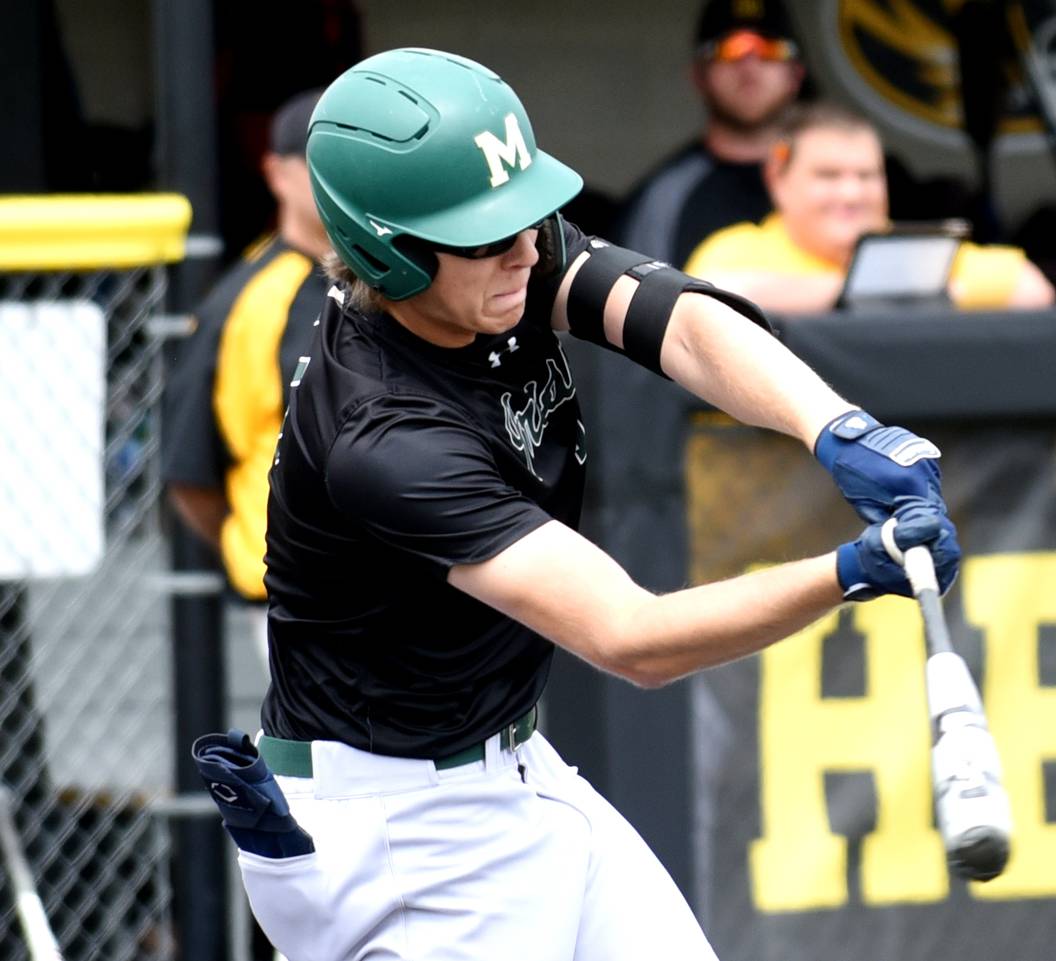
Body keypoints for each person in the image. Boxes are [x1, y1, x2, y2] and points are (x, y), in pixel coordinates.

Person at [221, 48, 962, 961]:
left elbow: (680, 324)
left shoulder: (487, 266)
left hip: (511, 765)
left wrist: (837, 427)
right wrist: (847, 570)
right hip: (402, 835)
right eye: (489, 234)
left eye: (526, 218)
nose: (528, 250)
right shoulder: (387, 437)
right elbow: (632, 638)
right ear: (392, 250)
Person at [163, 88, 332, 662]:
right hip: (304, 604)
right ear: (276, 174)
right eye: (319, 162)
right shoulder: (248, 301)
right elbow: (191, 474)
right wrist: (261, 551)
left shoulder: (404, 282)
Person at [684, 101, 1056, 313]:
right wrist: (880, 292)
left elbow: (1033, 289)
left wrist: (913, 291)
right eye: (828, 176)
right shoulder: (739, 248)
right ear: (777, 181)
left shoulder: (913, 252)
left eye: (867, 176)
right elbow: (709, 298)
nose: (852, 193)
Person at [612, 0, 806, 268]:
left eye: (769, 49)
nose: (749, 67)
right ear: (698, 76)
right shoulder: (663, 199)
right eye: (728, 50)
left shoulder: (841, 185)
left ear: (796, 74)